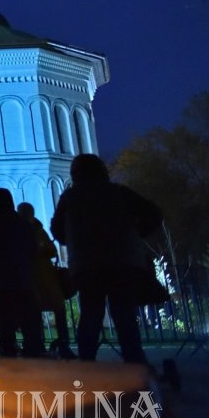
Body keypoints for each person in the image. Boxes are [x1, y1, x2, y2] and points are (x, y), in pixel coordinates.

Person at [51, 153, 162, 365]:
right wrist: (138, 232)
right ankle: (135, 365)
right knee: (124, 315)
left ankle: (87, 366)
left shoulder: (70, 198)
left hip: (88, 265)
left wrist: (76, 241)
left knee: (91, 315)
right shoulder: (118, 193)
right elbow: (154, 213)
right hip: (121, 261)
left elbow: (57, 229)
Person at [0, 187, 44, 357]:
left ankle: (8, 347)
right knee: (27, 313)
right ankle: (33, 347)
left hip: (3, 276)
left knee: (6, 314)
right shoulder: (21, 222)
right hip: (22, 275)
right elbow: (33, 247)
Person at [17, 201, 76, 359]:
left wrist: (37, 252)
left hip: (44, 276)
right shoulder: (25, 230)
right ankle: (38, 344)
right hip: (34, 277)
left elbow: (51, 250)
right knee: (33, 312)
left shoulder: (37, 230)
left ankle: (61, 343)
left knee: (55, 309)